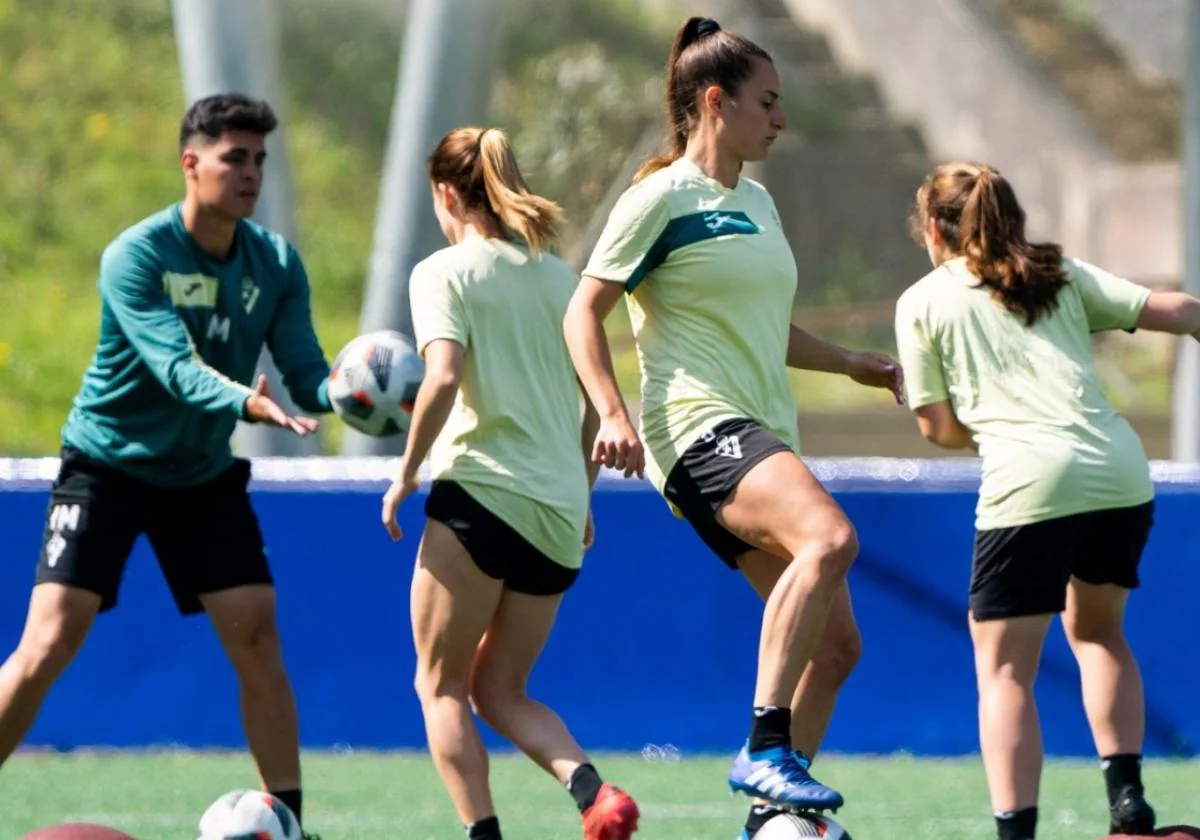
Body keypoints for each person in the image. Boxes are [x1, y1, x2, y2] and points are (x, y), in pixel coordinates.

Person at [562, 16, 904, 839]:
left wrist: (849, 361)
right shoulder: (658, 199)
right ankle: (766, 746)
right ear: (715, 103)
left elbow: (764, 327)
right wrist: (612, 410)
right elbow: (583, 311)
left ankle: (768, 819)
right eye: (769, 103)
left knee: (836, 650)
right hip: (696, 431)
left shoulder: (756, 202)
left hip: (753, 434)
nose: (781, 120)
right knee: (829, 537)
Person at [0, 93, 329, 837]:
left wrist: (378, 393)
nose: (250, 174)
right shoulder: (137, 255)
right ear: (191, 163)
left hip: (200, 475)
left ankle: (293, 825)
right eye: (234, 158)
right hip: (107, 465)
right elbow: (175, 367)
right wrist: (249, 403)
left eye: (259, 161)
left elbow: (309, 374)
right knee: (48, 640)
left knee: (257, 634)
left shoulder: (273, 262)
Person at [893, 161, 1200, 840]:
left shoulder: (923, 301)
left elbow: (939, 429)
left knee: (1004, 670)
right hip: (1118, 472)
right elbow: (1170, 310)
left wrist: (975, 414)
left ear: (936, 231)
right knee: (1098, 632)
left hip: (1030, 484)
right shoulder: (1054, 274)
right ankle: (1128, 803)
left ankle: (1016, 834)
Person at [380, 126, 641, 840]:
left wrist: (404, 475)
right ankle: (594, 794)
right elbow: (593, 400)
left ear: (444, 194)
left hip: (479, 498)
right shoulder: (560, 278)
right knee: (502, 689)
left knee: (439, 686)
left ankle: (485, 836)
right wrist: (583, 494)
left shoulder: (443, 273)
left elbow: (442, 375)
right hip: (557, 515)